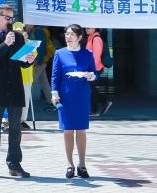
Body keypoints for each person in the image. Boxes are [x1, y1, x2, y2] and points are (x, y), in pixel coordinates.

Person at [0, 3, 35, 180]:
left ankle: (14, 164)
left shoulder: (18, 37)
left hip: (15, 88)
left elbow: (22, 62)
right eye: (7, 18)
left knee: (15, 129)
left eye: (12, 18)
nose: (10, 21)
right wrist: (5, 44)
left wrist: (29, 59)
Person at [51, 23, 98, 179]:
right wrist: (54, 93)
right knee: (68, 130)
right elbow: (55, 76)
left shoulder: (87, 53)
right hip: (66, 96)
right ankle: (69, 164)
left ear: (79, 37)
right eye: (67, 34)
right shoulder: (60, 53)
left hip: (82, 95)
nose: (68, 37)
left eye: (72, 34)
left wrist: (91, 76)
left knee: (81, 130)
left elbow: (94, 72)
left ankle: (82, 165)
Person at [85, 27, 112, 116]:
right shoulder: (91, 38)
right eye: (86, 27)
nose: (86, 29)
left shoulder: (96, 39)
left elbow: (96, 56)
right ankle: (103, 103)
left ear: (95, 28)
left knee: (91, 88)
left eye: (88, 27)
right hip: (92, 68)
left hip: (95, 68)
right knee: (91, 88)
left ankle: (94, 109)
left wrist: (92, 69)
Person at [26, 23, 52, 110]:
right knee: (44, 82)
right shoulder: (33, 32)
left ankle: (24, 102)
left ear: (33, 24)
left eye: (28, 24)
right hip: (40, 60)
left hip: (39, 61)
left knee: (30, 81)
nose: (26, 25)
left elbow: (41, 46)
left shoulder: (37, 31)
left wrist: (39, 60)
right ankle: (51, 100)